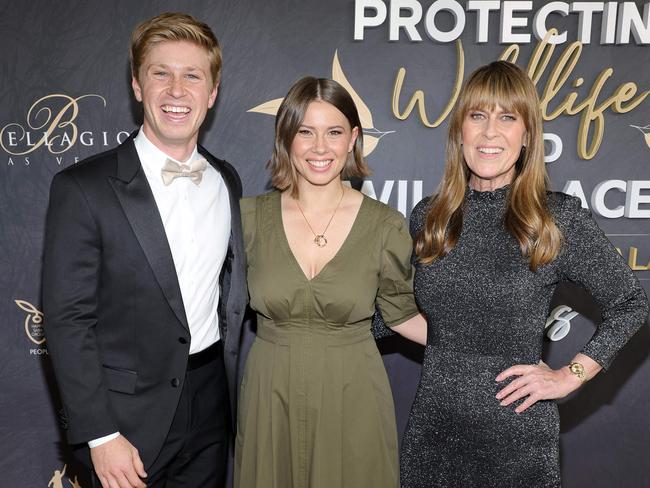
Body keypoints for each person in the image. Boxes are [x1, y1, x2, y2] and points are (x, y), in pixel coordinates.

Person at [400, 60, 649, 487]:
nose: (490, 132)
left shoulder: (554, 218)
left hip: (515, 441)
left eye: (507, 117)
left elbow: (630, 303)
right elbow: (393, 310)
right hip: (433, 434)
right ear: (459, 129)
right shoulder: (430, 217)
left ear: (528, 134)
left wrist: (569, 376)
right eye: (477, 116)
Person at [42, 12, 247, 488]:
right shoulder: (82, 187)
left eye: (192, 75)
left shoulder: (226, 180)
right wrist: (100, 434)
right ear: (137, 86)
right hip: (125, 422)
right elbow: (68, 319)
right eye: (161, 73)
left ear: (212, 93)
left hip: (212, 408)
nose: (177, 90)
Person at [234, 77, 427, 488]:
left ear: (353, 139)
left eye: (334, 132)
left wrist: (492, 350)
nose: (320, 148)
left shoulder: (384, 225)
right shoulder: (246, 218)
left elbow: (403, 316)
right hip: (270, 395)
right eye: (305, 132)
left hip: (352, 395)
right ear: (286, 137)